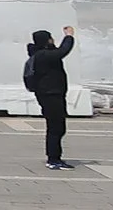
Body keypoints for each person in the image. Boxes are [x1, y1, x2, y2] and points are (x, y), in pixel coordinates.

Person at [22, 26, 77, 170]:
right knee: (55, 128)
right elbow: (63, 51)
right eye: (51, 38)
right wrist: (69, 36)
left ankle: (54, 157)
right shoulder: (43, 55)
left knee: (56, 127)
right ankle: (53, 159)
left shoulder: (41, 54)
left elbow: (57, 51)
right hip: (50, 95)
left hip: (51, 94)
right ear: (46, 41)